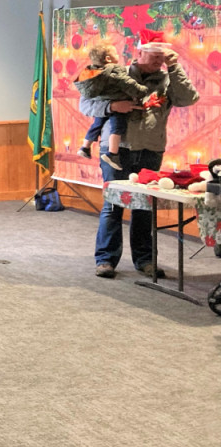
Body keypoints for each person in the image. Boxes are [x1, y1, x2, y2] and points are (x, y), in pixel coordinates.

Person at [80, 31, 199, 279]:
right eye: (153, 55)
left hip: (151, 150)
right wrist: (112, 106)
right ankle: (106, 260)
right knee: (113, 205)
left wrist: (175, 67)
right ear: (139, 52)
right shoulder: (116, 73)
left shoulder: (168, 79)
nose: (158, 60)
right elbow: (85, 103)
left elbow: (188, 99)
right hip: (117, 150)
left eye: (162, 55)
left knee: (145, 207)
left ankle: (145, 260)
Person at [74, 41, 152, 170]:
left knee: (96, 125)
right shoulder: (116, 71)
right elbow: (128, 84)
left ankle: (85, 147)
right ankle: (112, 154)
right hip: (115, 118)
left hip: (145, 147)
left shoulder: (92, 73)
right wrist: (113, 105)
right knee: (117, 127)